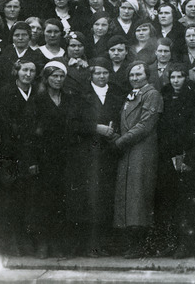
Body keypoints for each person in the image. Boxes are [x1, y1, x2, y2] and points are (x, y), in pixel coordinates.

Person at [99, 61, 163, 259]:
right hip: (128, 149)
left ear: (147, 76)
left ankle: (140, 244)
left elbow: (145, 125)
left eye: (139, 75)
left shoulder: (152, 94)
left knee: (138, 196)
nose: (135, 78)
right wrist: (116, 136)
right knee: (127, 196)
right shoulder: (131, 95)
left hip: (142, 150)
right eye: (132, 75)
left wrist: (120, 142)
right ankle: (129, 242)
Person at [65, 57, 124, 257]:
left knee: (106, 199)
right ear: (91, 75)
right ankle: (89, 245)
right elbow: (72, 124)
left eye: (105, 73)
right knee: (89, 200)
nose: (101, 76)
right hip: (87, 154)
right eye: (98, 73)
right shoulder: (81, 95)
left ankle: (105, 243)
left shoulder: (116, 94)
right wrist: (95, 128)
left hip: (109, 153)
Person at [152, 63, 195, 258]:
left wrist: (188, 156)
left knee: (185, 202)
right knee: (167, 200)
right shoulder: (164, 96)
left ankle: (186, 244)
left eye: (179, 77)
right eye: (172, 77)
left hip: (185, 155)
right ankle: (169, 242)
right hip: (166, 155)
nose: (175, 81)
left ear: (186, 78)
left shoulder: (194, 99)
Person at [28, 60, 77, 258]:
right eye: (54, 76)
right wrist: (32, 160)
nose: (58, 80)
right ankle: (42, 244)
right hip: (43, 158)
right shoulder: (37, 100)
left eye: (61, 76)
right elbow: (29, 133)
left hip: (64, 158)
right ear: (46, 79)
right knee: (42, 203)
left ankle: (57, 244)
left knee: (60, 202)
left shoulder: (69, 99)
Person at [0, 58, 38, 256]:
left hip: (32, 152)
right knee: (10, 200)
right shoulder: (5, 93)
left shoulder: (37, 94)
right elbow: (3, 126)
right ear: (17, 72)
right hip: (11, 152)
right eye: (24, 70)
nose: (28, 74)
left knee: (29, 200)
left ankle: (25, 239)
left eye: (32, 71)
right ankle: (9, 242)